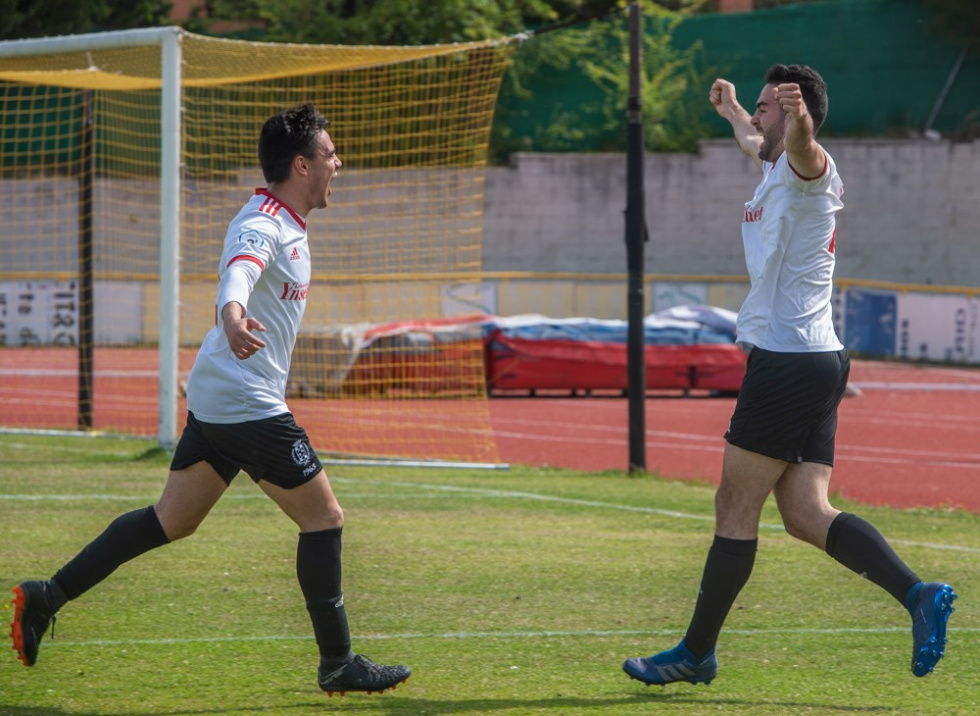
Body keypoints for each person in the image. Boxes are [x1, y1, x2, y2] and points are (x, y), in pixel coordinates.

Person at [9, 103, 411, 696]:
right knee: (324, 519)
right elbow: (238, 273)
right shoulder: (264, 223)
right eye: (329, 155)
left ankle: (48, 595)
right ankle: (338, 662)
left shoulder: (286, 221)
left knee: (172, 520)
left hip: (221, 393)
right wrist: (231, 316)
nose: (338, 163)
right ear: (301, 165)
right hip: (244, 400)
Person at [622, 64, 956, 687]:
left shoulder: (809, 168)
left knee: (735, 503)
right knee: (805, 512)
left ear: (796, 116)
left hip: (786, 362)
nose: (758, 115)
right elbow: (763, 145)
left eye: (765, 108)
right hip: (815, 358)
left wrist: (798, 119)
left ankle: (695, 652)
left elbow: (802, 145)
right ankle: (919, 594)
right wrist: (731, 114)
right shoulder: (775, 166)